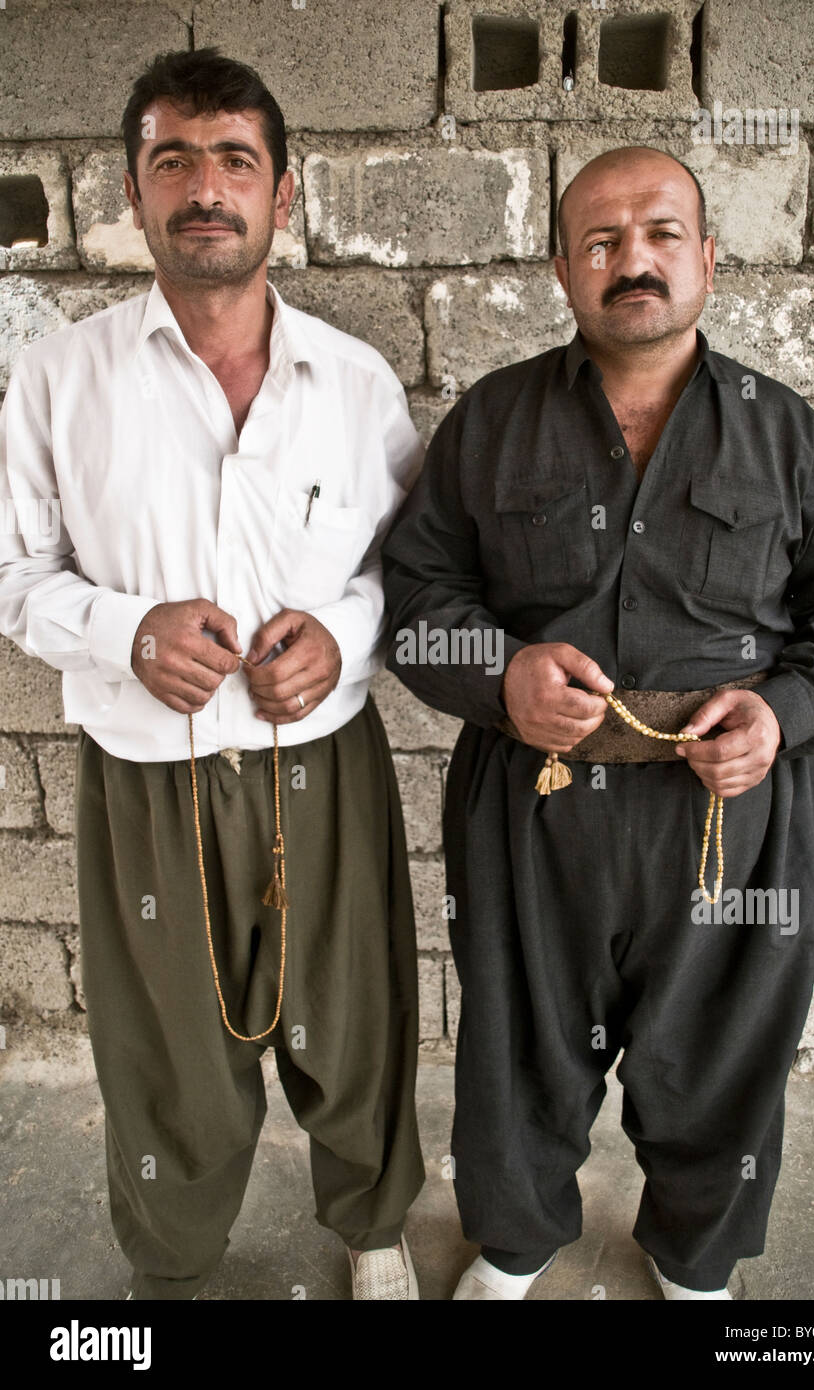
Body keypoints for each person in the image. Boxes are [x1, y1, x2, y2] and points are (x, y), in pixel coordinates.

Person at [382, 146, 814, 1301]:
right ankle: (513, 1247)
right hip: (534, 803)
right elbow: (416, 601)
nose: (636, 262)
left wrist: (787, 711)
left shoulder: (787, 434)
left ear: (708, 257)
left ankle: (694, 1260)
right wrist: (501, 675)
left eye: (663, 233)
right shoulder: (493, 420)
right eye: (603, 241)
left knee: (720, 1053)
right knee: (519, 1044)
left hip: (733, 814)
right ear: (561, 267)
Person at [0, 47, 426, 1301]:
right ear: (131, 194)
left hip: (325, 768)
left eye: (236, 160)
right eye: (171, 160)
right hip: (147, 777)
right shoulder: (58, 378)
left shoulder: (353, 382)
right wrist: (125, 630)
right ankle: (174, 1274)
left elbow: (417, 569)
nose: (205, 188)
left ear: (282, 195)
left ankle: (372, 1226)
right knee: (169, 1052)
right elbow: (14, 573)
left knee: (351, 1020)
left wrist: (345, 634)